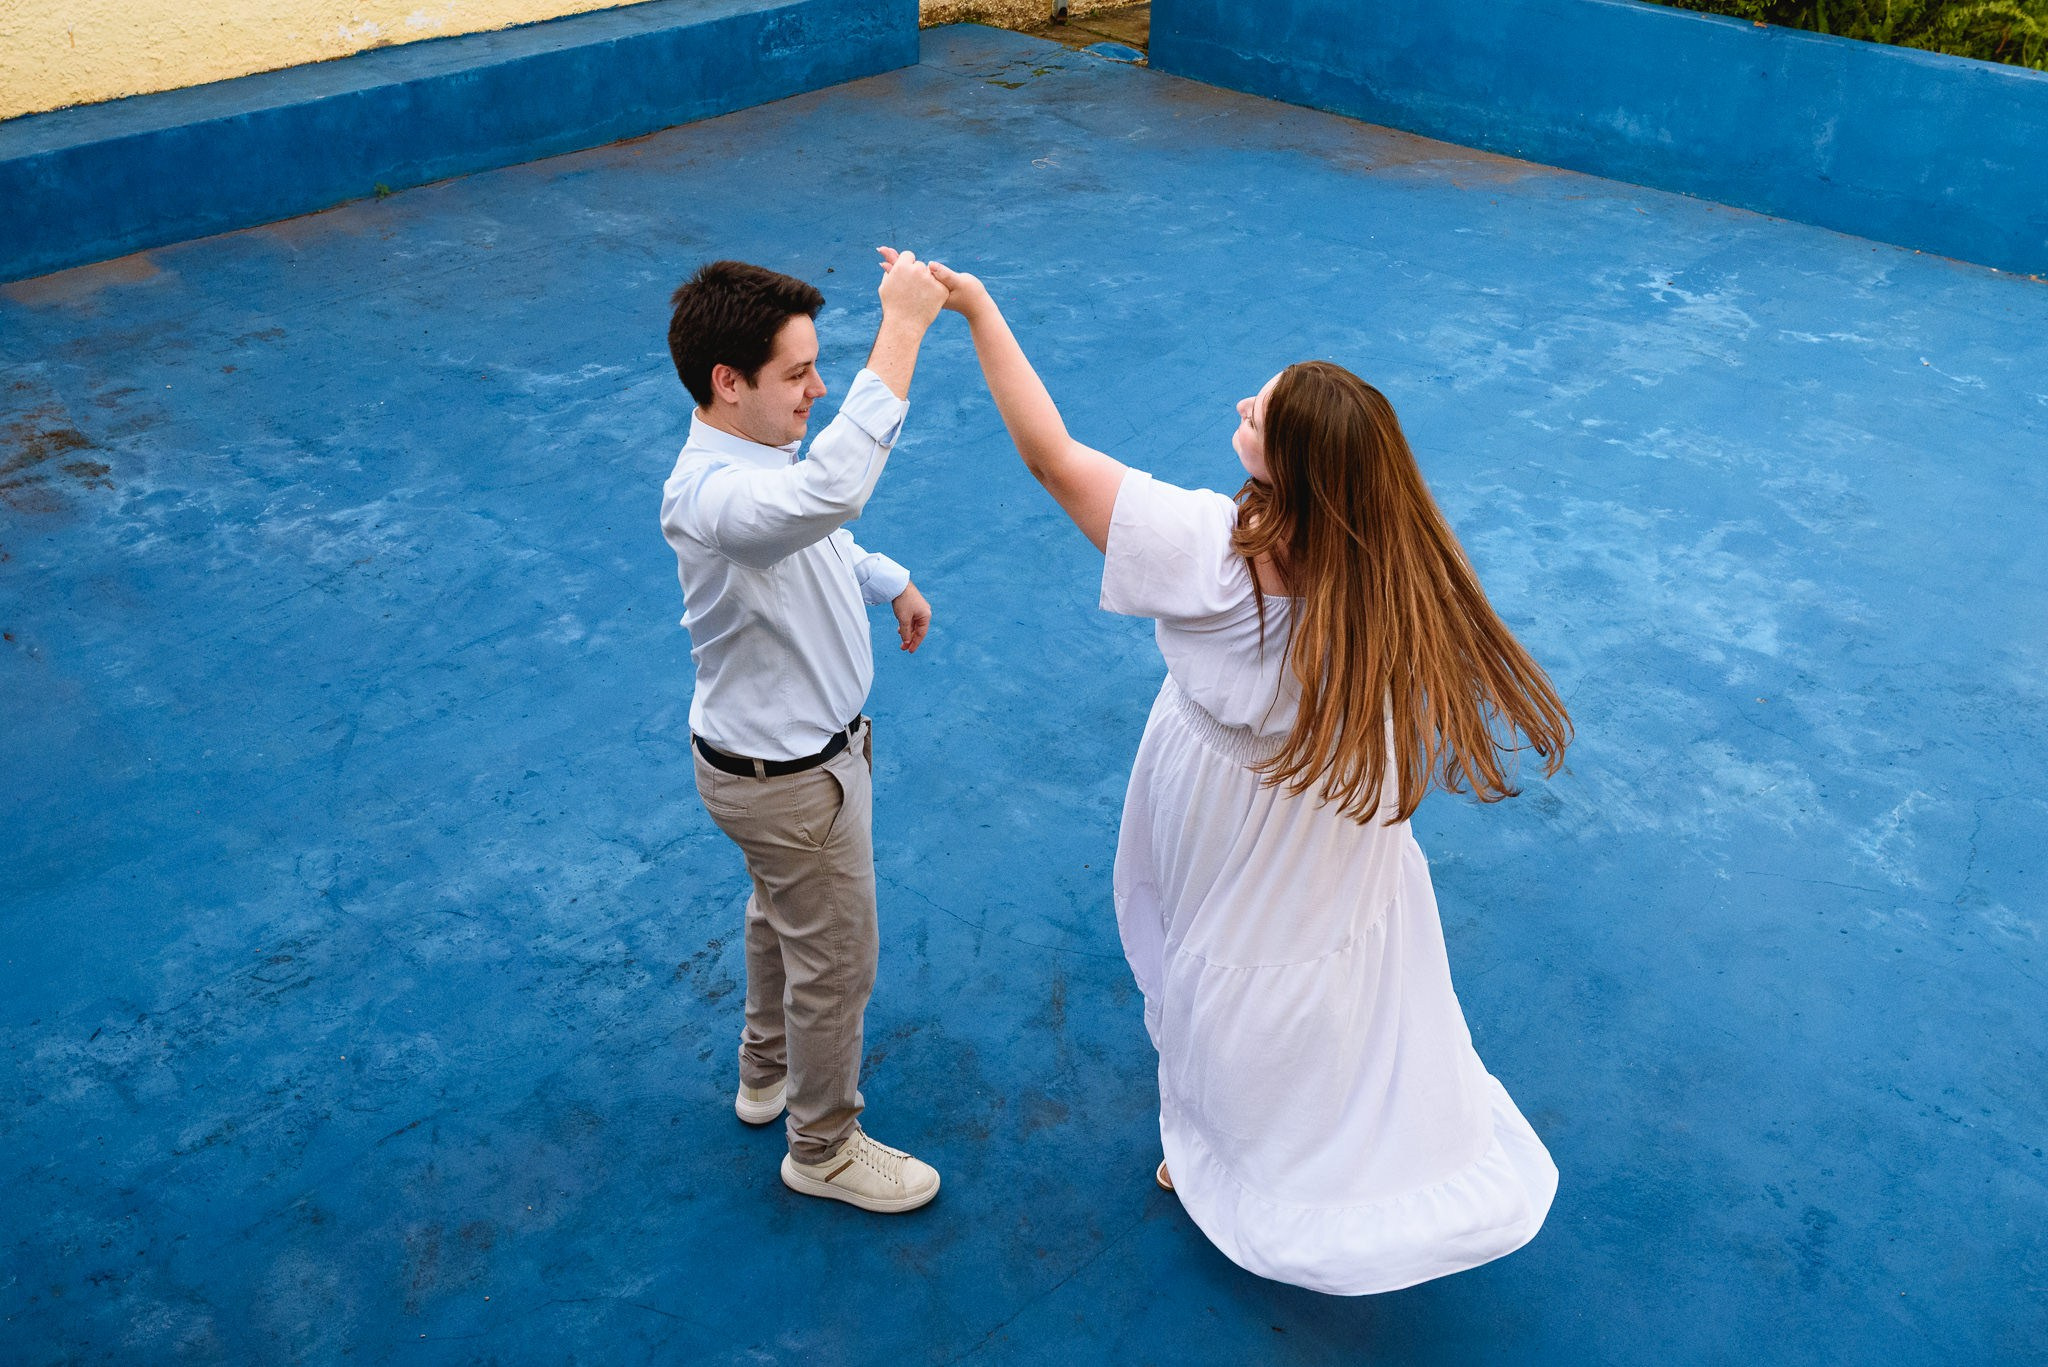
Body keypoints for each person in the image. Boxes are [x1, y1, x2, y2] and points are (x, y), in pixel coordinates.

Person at [921, 252, 1573, 1293]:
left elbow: (1049, 455)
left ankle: (1227, 1153)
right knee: (1313, 979)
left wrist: (977, 306)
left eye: (1258, 413)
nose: (1239, 403)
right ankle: (1293, 1129)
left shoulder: (1210, 553)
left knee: (1213, 971)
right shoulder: (1388, 576)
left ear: (1295, 471)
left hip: (1222, 802)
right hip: (1328, 827)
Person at [659, 253, 948, 1213]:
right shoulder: (712, 495)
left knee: (779, 913)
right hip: (792, 779)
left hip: (774, 767)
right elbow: (825, 497)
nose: (818, 388)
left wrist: (886, 577)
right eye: (798, 373)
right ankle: (821, 1146)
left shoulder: (756, 464)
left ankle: (764, 1072)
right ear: (726, 383)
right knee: (836, 961)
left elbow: (816, 530)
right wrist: (901, 327)